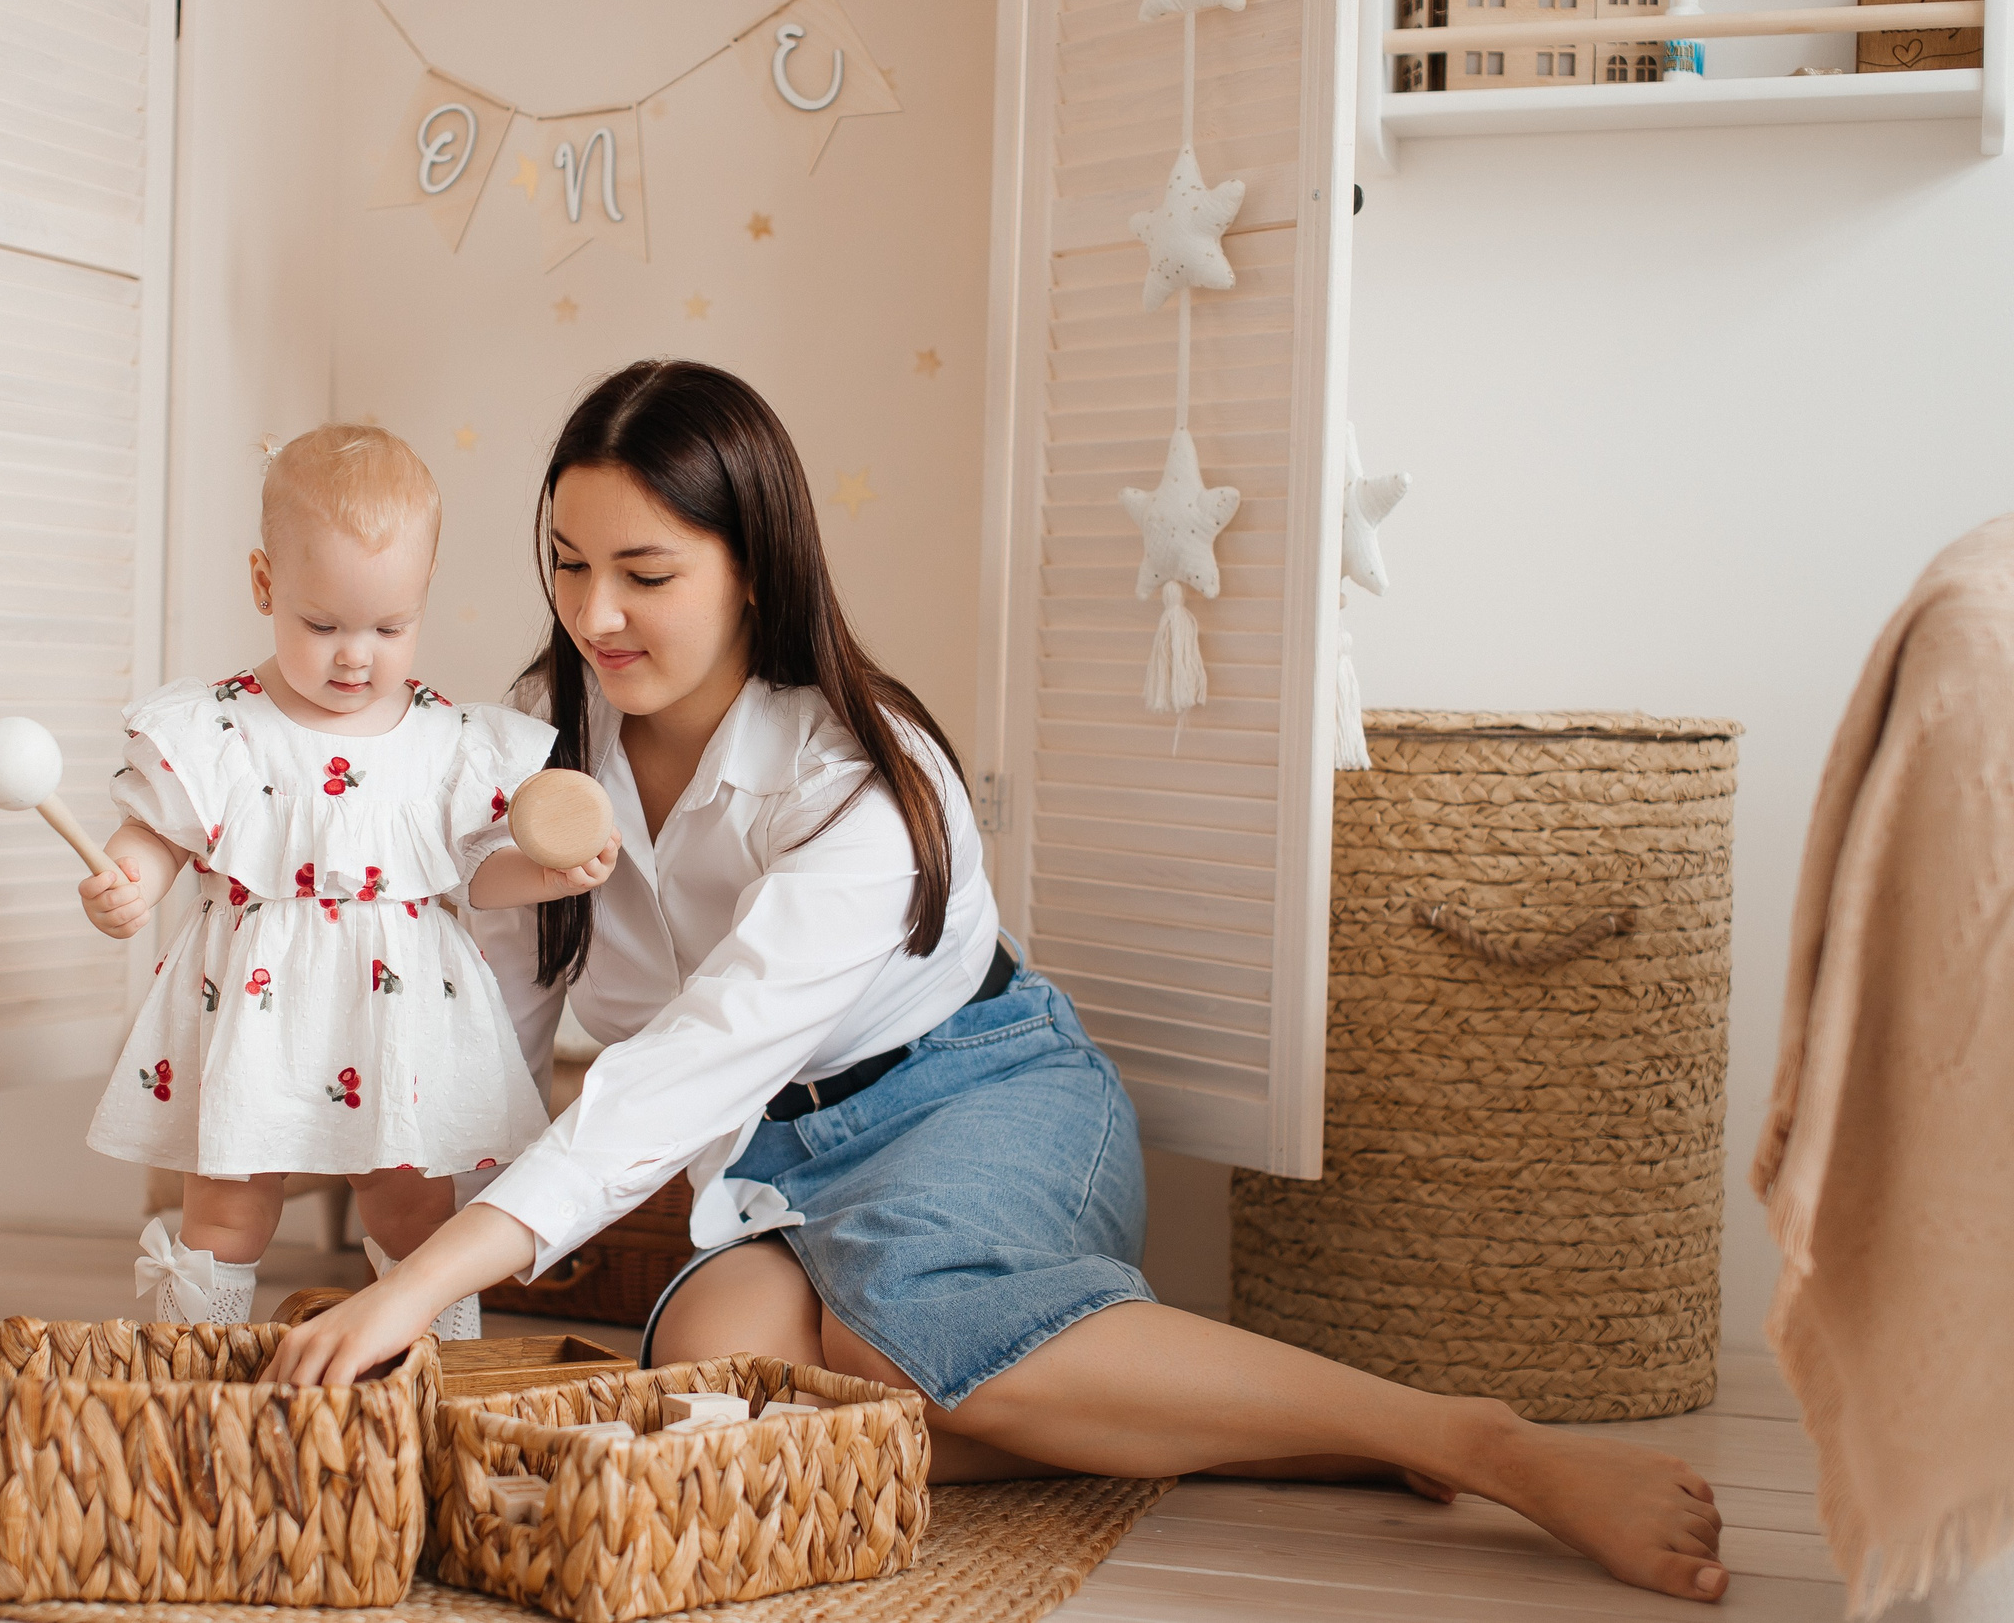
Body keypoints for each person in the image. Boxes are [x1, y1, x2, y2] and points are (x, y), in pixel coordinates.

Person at [270, 366, 1731, 1604]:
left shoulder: (860, 778)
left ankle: (1470, 1437)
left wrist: (432, 1279)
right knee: (716, 1387)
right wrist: (396, 1237)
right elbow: (488, 1017)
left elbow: (691, 1057)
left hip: (974, 1094)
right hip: (772, 1152)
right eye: (566, 562)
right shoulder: (539, 744)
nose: (596, 612)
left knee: (893, 1327)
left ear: (752, 565)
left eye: (645, 574)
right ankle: (1241, 1427)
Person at [76, 424, 615, 1332]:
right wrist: (131, 875)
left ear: (423, 596)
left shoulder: (444, 741)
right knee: (230, 1201)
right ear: (265, 584)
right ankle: (192, 1360)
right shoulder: (224, 729)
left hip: (395, 1015)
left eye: (389, 628)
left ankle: (431, 1356)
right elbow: (163, 831)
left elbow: (473, 873)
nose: (355, 655)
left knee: (413, 1204)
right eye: (322, 625)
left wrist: (552, 873)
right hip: (255, 1009)